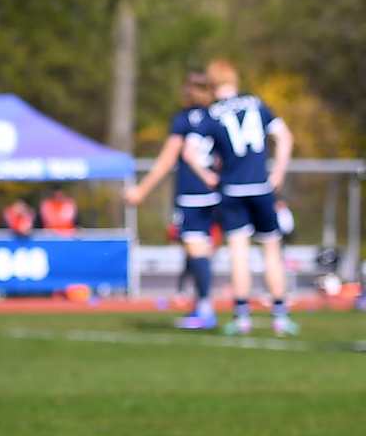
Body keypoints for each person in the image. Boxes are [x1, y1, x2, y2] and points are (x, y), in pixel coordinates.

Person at [194, 59, 296, 336]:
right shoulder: (257, 104)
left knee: (239, 251)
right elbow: (285, 137)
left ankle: (241, 316)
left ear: (212, 85)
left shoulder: (212, 114)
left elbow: (191, 152)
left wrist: (208, 177)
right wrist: (279, 172)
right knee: (271, 249)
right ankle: (280, 315)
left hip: (232, 190)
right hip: (261, 187)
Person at [125, 71, 220, 328]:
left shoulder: (184, 120)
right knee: (202, 248)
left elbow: (167, 159)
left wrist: (141, 190)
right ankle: (202, 304)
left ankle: (204, 307)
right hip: (220, 192)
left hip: (192, 194)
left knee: (195, 246)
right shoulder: (220, 117)